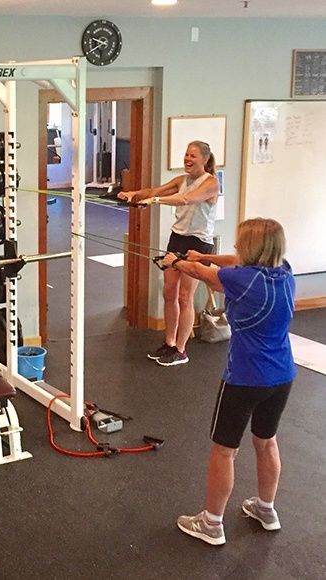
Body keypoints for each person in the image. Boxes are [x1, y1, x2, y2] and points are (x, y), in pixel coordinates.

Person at [161, 218, 296, 546]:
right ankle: (266, 509)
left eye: (240, 244)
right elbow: (228, 264)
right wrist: (204, 256)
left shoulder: (241, 281)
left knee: (224, 451)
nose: (235, 249)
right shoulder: (285, 272)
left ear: (251, 249)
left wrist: (177, 261)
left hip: (245, 377)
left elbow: (203, 275)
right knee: (266, 442)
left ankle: (211, 523)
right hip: (282, 376)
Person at [119, 141, 220, 366]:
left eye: (193, 155)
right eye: (186, 154)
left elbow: (186, 199)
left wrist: (154, 201)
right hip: (177, 239)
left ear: (204, 159)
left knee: (185, 296)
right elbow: (154, 191)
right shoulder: (181, 180)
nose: (188, 159)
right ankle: (170, 342)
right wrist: (133, 194)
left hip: (198, 244)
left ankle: (181, 351)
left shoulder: (211, 183)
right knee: (169, 293)